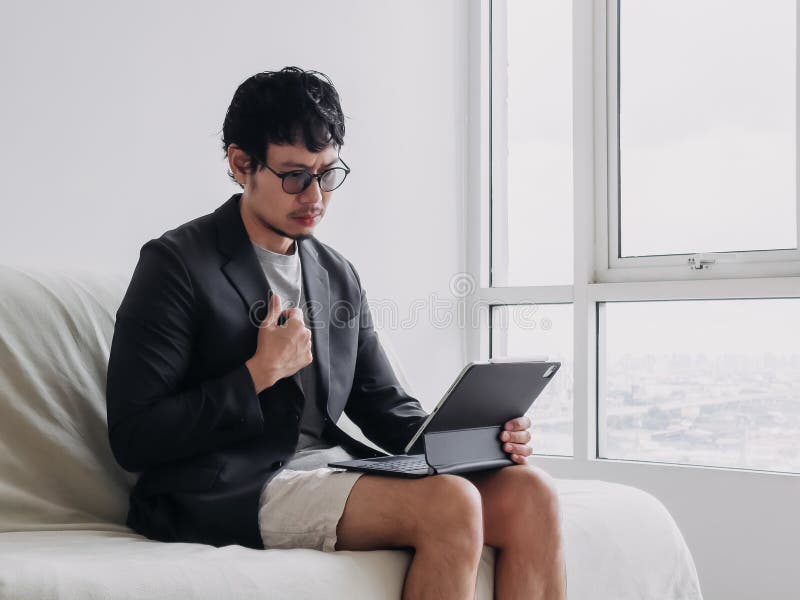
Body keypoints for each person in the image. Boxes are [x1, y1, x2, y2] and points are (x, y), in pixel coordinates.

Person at [106, 66, 566, 600]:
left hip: (329, 470)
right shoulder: (176, 264)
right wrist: (258, 374)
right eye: (295, 175)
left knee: (532, 493)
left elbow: (386, 407)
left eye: (328, 174)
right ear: (240, 164)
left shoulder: (334, 272)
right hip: (232, 486)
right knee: (451, 504)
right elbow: (134, 437)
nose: (316, 196)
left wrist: (478, 439)